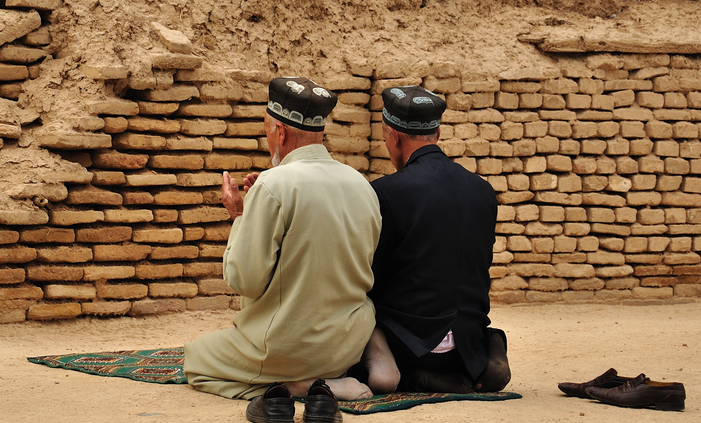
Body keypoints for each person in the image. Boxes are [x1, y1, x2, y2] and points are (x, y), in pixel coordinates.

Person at [183, 77, 382, 404]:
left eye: (267, 130)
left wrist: (240, 218)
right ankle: (335, 376)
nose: (267, 138)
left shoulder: (273, 185)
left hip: (287, 350)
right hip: (348, 346)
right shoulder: (361, 184)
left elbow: (245, 279)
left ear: (281, 132)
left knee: (197, 359)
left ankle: (297, 386)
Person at [358, 86, 511, 394]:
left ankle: (416, 376)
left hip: (411, 346)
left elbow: (371, 280)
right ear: (437, 133)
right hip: (469, 346)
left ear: (393, 136)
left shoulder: (386, 193)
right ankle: (485, 354)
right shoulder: (483, 190)